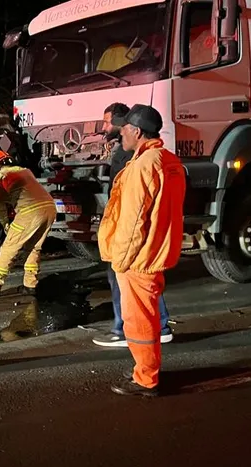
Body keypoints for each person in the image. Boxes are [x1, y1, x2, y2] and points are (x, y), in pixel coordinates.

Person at [98, 104, 186, 397]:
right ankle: (145, 369)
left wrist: (120, 261)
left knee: (138, 321)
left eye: (124, 129)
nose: (120, 133)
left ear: (136, 132)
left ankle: (145, 379)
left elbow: (134, 221)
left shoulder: (143, 166)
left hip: (137, 258)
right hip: (156, 251)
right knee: (147, 317)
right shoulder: (168, 160)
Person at [92, 103, 174, 347]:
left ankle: (126, 331)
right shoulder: (163, 159)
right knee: (146, 287)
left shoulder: (139, 162)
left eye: (112, 123)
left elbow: (134, 213)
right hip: (148, 246)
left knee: (131, 287)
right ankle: (157, 328)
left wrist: (121, 258)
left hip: (133, 247)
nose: (107, 127)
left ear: (135, 131)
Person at [0, 150, 57, 296]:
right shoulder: (26, 171)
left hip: (29, 213)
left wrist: (6, 224)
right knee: (34, 247)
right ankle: (30, 284)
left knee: (8, 248)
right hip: (49, 208)